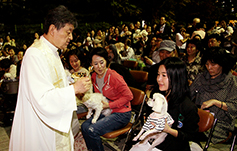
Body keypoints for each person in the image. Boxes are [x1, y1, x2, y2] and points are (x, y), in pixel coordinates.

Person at [9, 5, 91, 151]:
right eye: (68, 32)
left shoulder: (52, 52)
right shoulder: (35, 54)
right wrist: (73, 89)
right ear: (53, 29)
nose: (71, 37)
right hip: (41, 127)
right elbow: (42, 99)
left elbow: (55, 83)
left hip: (54, 125)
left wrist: (71, 82)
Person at [131, 57, 199, 150]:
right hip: (153, 141)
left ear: (176, 77)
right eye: (158, 74)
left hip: (173, 146)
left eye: (164, 76)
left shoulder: (187, 106)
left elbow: (191, 136)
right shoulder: (158, 95)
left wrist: (169, 130)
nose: (159, 79)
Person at [81, 47, 133, 151]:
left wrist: (109, 105)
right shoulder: (94, 77)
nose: (99, 66)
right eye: (95, 64)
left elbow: (129, 96)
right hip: (105, 111)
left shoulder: (114, 76)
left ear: (106, 61)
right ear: (91, 65)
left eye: (102, 62)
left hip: (121, 113)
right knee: (84, 127)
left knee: (92, 129)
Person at [190, 47, 237, 144]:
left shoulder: (232, 82)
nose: (209, 67)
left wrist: (216, 102)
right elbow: (188, 95)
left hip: (219, 124)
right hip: (198, 119)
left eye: (213, 64)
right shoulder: (201, 78)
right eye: (207, 64)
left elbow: (235, 107)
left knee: (188, 135)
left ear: (222, 64)